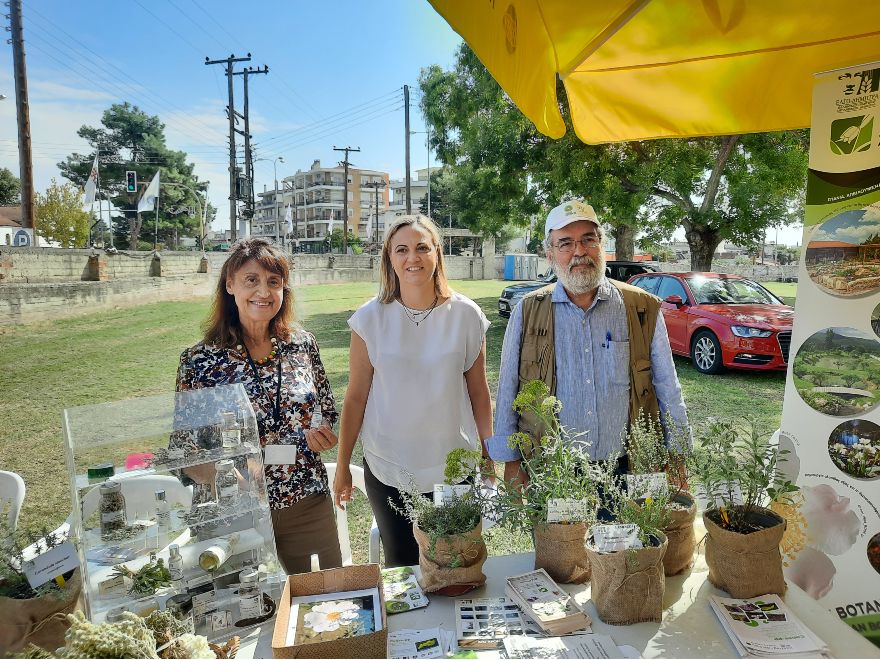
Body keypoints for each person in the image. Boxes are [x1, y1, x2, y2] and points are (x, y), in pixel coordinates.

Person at [488, 200, 689, 487]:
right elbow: (508, 390)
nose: (579, 252)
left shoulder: (641, 308)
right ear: (550, 254)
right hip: (553, 472)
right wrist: (511, 462)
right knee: (557, 535)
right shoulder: (528, 310)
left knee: (632, 533)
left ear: (601, 245)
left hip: (631, 467)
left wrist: (678, 456)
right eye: (566, 243)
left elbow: (668, 387)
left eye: (588, 240)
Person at [332, 215, 494, 567]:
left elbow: (479, 392)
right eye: (401, 249)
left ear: (437, 252)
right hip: (389, 468)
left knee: (455, 566)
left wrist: (489, 454)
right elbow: (356, 397)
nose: (413, 258)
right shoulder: (369, 320)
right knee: (402, 569)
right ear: (389, 258)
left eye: (422, 247)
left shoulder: (466, 315)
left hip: (454, 468)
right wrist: (342, 464)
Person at [175, 238, 342, 574]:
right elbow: (183, 452)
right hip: (234, 516)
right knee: (247, 615)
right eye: (251, 280)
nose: (263, 292)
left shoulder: (302, 344)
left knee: (326, 605)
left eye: (273, 282)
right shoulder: (200, 361)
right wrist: (225, 472)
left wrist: (323, 436)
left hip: (305, 502)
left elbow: (325, 410)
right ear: (230, 284)